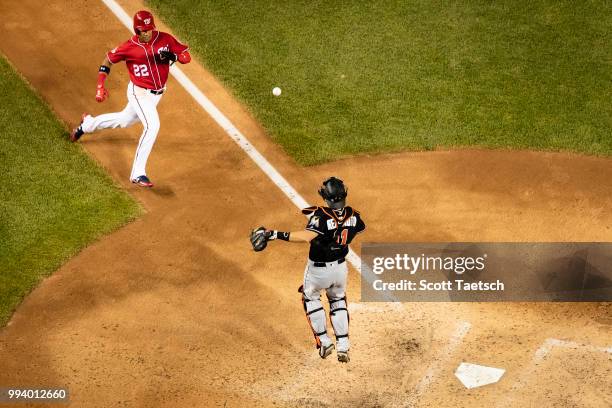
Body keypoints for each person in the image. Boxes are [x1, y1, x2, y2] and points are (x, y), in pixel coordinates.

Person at [250, 177, 366, 363]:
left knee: (310, 297)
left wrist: (274, 234)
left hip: (318, 271)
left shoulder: (321, 217)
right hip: (340, 269)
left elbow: (306, 236)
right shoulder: (355, 215)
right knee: (338, 299)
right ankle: (343, 346)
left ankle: (325, 341)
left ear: (326, 198)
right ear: (344, 194)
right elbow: (356, 228)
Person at [70, 10, 191, 188]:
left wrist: (174, 56)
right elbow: (108, 60)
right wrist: (100, 86)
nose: (147, 32)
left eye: (150, 28)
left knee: (124, 120)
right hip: (139, 92)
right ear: (137, 30)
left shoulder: (165, 39)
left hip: (157, 94)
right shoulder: (129, 47)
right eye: (143, 30)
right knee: (152, 126)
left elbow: (186, 57)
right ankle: (138, 173)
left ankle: (87, 124)